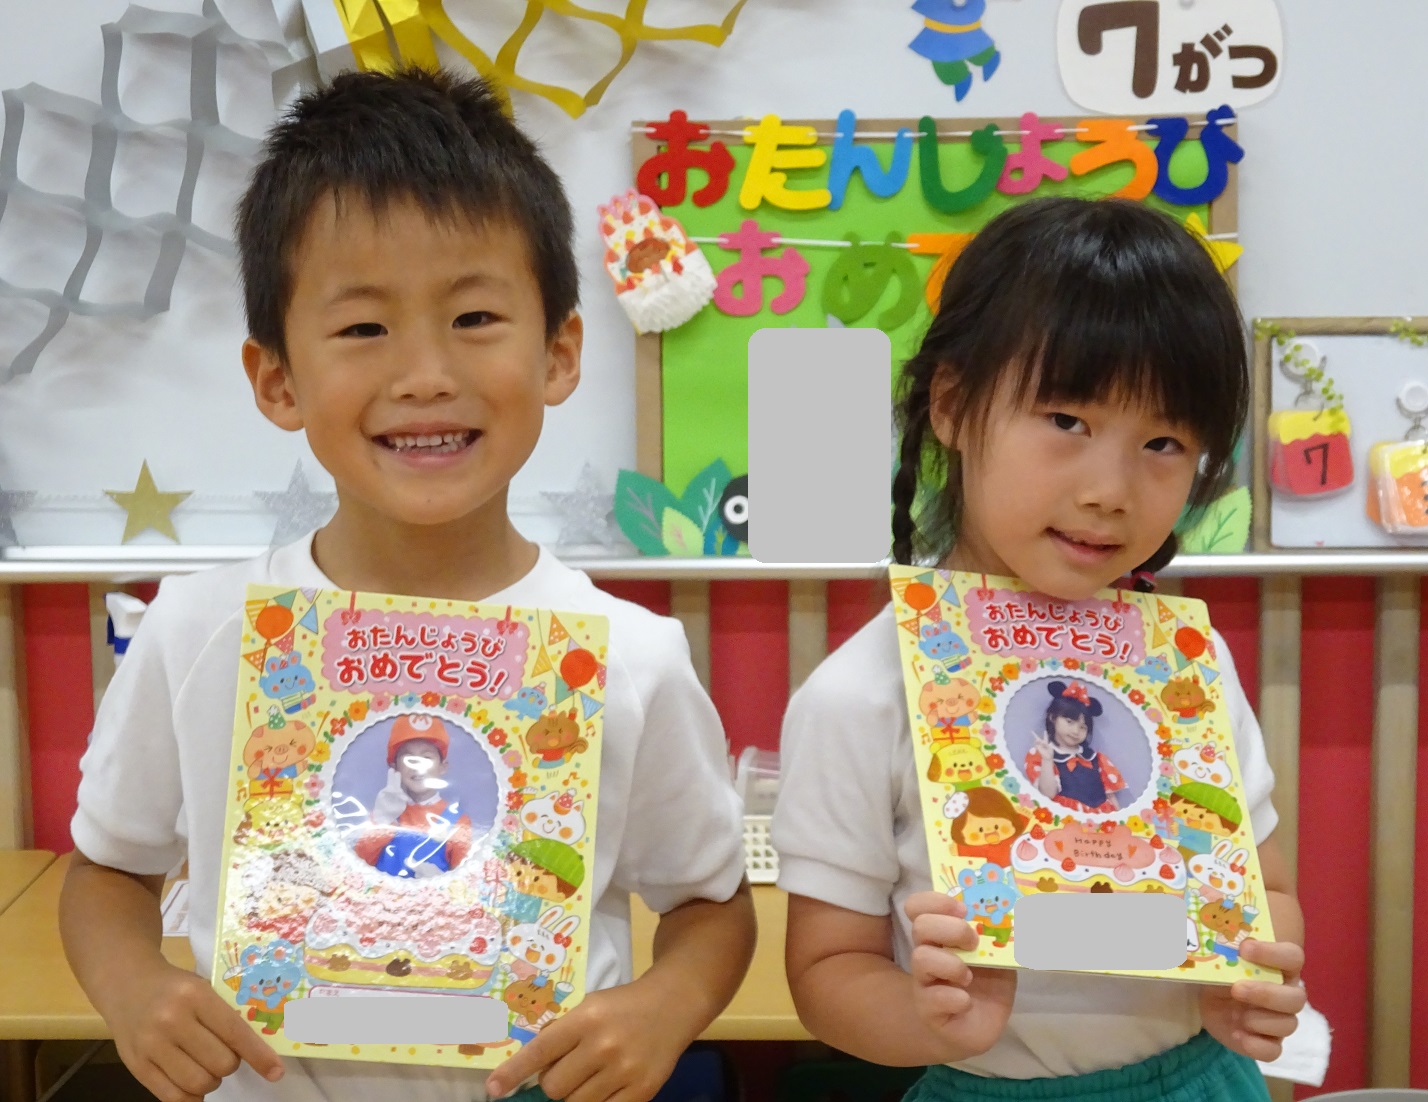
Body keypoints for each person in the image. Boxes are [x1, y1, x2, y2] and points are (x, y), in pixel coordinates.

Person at [60, 66, 755, 1102]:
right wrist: (131, 985)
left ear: (559, 352)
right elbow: (108, 869)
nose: (425, 373)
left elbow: (710, 903)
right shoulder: (200, 629)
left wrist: (666, 1004)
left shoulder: (628, 656)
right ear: (277, 380)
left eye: (474, 317)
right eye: (362, 328)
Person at [773, 198, 1306, 1101]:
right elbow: (825, 969)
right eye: (1066, 420)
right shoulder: (858, 694)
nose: (1109, 489)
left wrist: (1252, 975)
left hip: (1198, 1081)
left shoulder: (1184, 669)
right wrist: (926, 1018)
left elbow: (1267, 888)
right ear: (951, 404)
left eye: (1163, 441)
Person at [351, 714, 474, 878]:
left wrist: (442, 883)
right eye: (408, 758)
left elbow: (468, 881)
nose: (418, 766)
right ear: (394, 767)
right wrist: (382, 821)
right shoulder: (385, 811)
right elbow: (356, 866)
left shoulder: (459, 821)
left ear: (443, 767)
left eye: (427, 757)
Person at [1025, 680, 1129, 813]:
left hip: (1100, 817)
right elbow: (1048, 794)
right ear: (1052, 717)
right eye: (1069, 722)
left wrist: (1118, 818)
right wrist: (1047, 759)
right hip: (1066, 816)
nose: (1076, 731)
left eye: (1082, 727)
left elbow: (1110, 796)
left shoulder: (1096, 758)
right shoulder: (1040, 754)